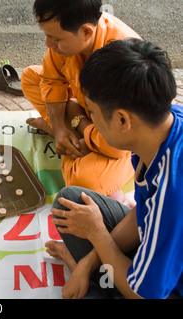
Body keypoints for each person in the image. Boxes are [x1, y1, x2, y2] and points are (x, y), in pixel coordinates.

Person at [46, 38, 183, 299]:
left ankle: (90, 275)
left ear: (122, 120)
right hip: (164, 242)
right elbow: (144, 211)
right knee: (71, 202)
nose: (89, 121)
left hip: (163, 289)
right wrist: (89, 262)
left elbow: (143, 295)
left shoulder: (172, 192)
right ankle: (89, 270)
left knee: (90, 290)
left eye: (93, 113)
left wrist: (97, 233)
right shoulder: (167, 123)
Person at [22, 0, 141, 200]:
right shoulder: (72, 34)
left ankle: (72, 140)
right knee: (30, 77)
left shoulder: (123, 63)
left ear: (86, 32)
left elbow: (117, 144)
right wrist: (60, 126)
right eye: (47, 35)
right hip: (91, 116)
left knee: (82, 182)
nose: (49, 44)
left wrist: (78, 121)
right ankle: (65, 135)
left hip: (123, 140)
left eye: (55, 38)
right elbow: (51, 80)